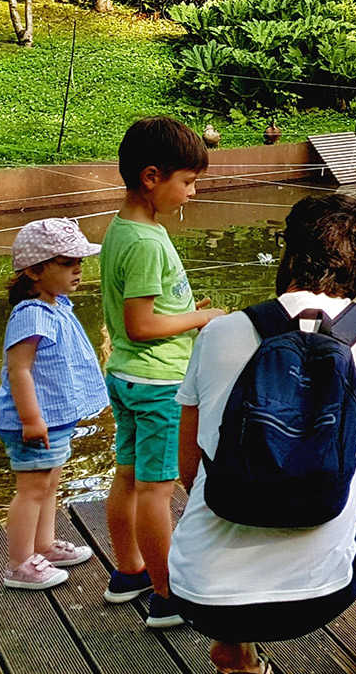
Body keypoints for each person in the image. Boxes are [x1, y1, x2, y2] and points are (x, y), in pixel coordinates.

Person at [169, 193, 356, 674]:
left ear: (288, 255)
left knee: (220, 468)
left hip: (196, 594)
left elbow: (189, 467)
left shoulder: (220, 333)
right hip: (318, 595)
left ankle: (236, 650)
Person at [100, 116, 225, 626]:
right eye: (188, 181)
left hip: (128, 375)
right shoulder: (149, 243)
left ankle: (128, 570)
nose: (192, 193)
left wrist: (184, 310)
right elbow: (141, 323)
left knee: (128, 476)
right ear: (152, 177)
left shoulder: (125, 227)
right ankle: (167, 594)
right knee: (158, 486)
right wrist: (203, 318)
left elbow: (142, 316)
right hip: (158, 382)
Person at [0, 217, 110, 590]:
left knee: (50, 481)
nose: (78, 269)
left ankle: (43, 545)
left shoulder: (57, 304)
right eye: (66, 262)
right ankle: (19, 563)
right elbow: (20, 370)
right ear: (34, 270)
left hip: (54, 416)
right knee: (32, 488)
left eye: (79, 261)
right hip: (34, 420)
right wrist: (31, 419)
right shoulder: (31, 314)